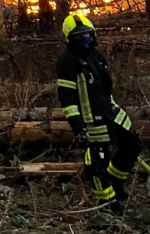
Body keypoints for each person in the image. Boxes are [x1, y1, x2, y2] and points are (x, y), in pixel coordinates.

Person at [57, 14, 141, 208]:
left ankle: (115, 180)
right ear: (70, 39)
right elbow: (67, 97)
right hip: (91, 119)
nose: (83, 38)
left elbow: (105, 86)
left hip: (111, 112)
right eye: (78, 36)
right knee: (97, 161)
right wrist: (77, 124)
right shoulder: (67, 62)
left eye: (86, 34)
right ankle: (107, 202)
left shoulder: (96, 55)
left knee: (132, 145)